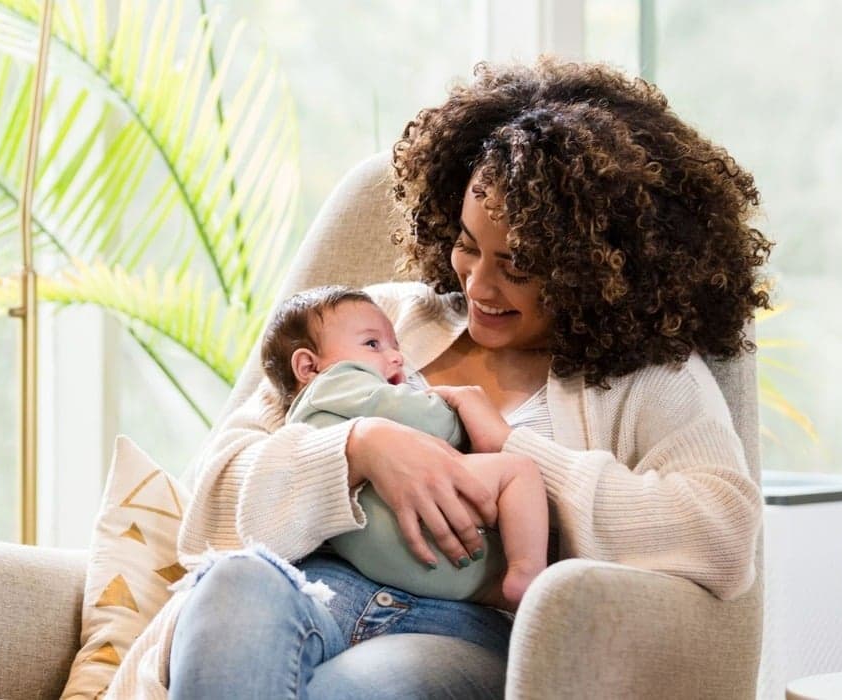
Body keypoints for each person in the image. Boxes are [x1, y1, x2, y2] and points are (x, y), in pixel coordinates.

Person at [106, 57, 772, 699]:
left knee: (350, 691)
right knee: (232, 585)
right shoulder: (379, 317)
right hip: (307, 594)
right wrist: (359, 448)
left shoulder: (645, 378)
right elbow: (213, 497)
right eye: (467, 245)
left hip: (466, 632)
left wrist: (514, 451)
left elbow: (721, 534)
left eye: (516, 264)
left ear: (595, 268)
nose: (478, 284)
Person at [259, 284, 548, 605]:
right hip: (409, 532)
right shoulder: (337, 382)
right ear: (308, 367)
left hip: (378, 557)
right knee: (518, 470)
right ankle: (528, 571)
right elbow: (430, 422)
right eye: (372, 344)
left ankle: (502, 587)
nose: (397, 356)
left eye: (394, 345)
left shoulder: (304, 422)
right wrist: (456, 407)